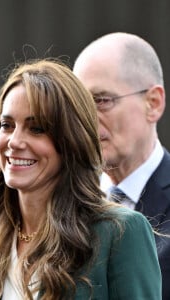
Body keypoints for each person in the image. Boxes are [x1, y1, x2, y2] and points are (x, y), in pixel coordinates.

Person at [0, 58, 161, 300]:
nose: (14, 142)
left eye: (36, 129)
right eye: (7, 125)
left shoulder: (120, 232)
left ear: (71, 140)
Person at [73, 32, 170, 299]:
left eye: (102, 101)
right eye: (79, 106)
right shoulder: (63, 202)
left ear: (153, 103)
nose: (87, 120)